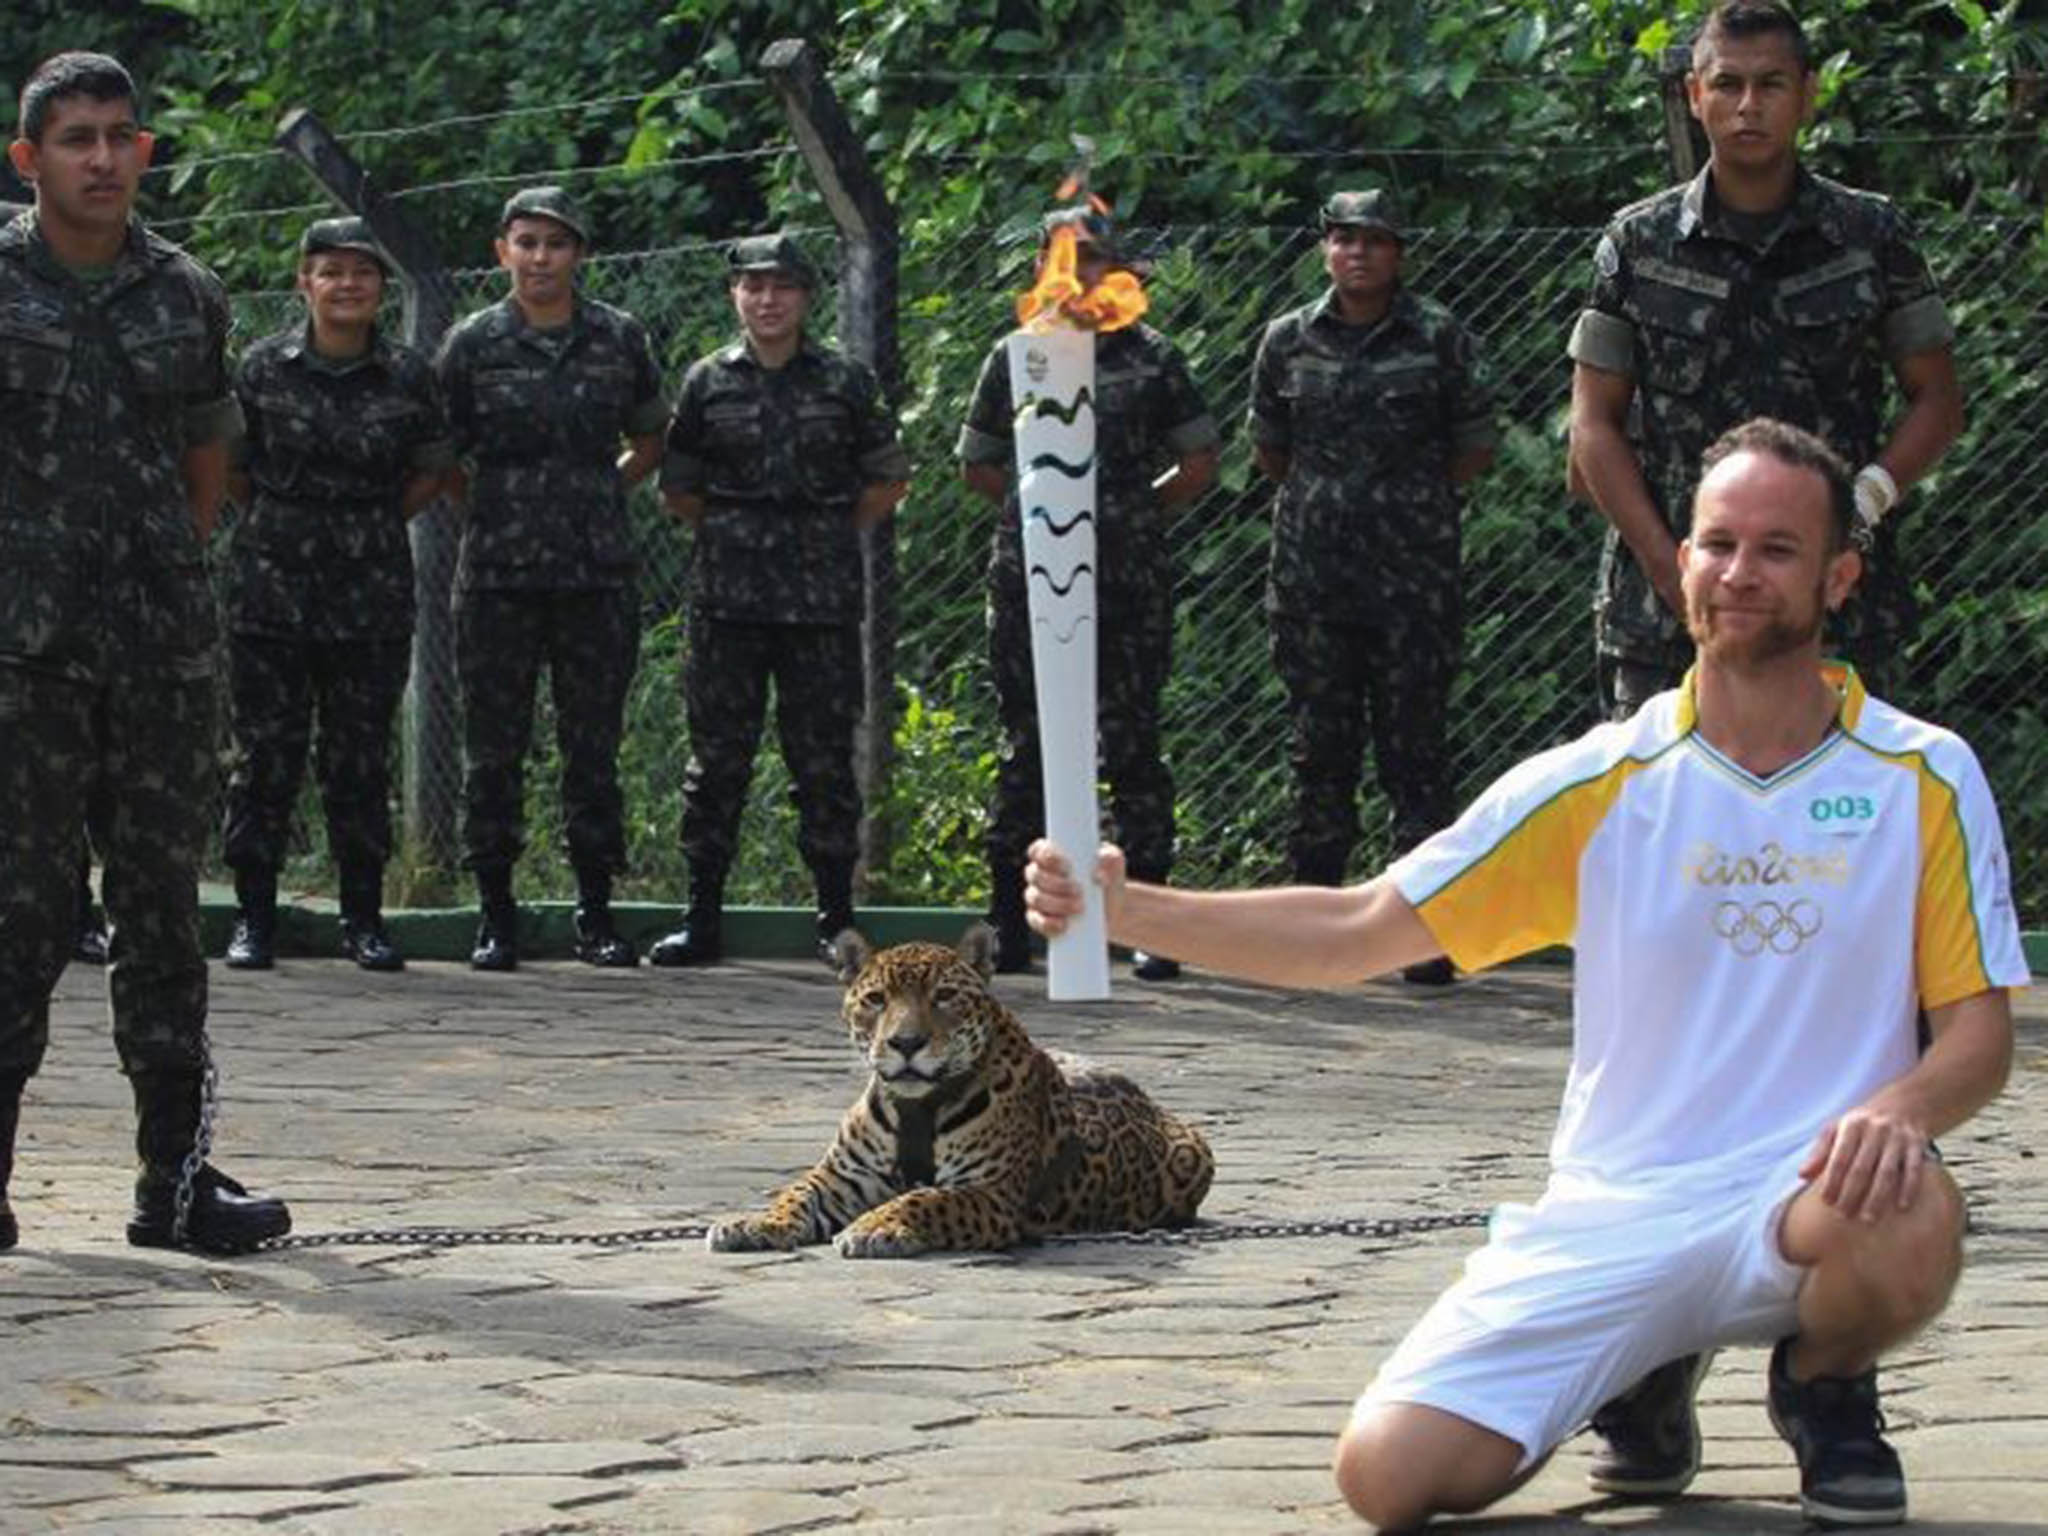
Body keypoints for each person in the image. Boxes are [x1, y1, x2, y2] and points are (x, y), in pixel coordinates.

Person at [1025, 419, 2028, 1529]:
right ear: (1678, 562)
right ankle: (1638, 1368)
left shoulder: (1919, 774)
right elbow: (1359, 928)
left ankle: (1825, 1386)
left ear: (1837, 576)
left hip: (1808, 1204)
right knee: (1388, 1480)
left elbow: (1977, 1036)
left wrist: (1900, 1109)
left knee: (1911, 1214)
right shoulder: (1597, 782)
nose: (1738, 572)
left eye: (1776, 550)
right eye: (1716, 543)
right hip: (1617, 1209)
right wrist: (1125, 907)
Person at [0, 52, 292, 1254]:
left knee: (165, 917)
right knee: (16, 917)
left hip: (160, 653)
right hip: (20, 657)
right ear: (28, 159)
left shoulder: (188, 292)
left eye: (122, 136)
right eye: (77, 139)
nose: (104, 158)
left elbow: (204, 463)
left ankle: (173, 1181)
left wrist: (154, 571)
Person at [1568, 0, 1964, 720]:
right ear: (1694, 95)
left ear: (1808, 95)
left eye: (1771, 84)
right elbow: (1592, 426)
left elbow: (1937, 398)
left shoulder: (1871, 236)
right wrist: (1673, 567)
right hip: (1665, 619)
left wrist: (1866, 499)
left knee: (1843, 817)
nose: (1747, 105)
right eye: (1726, 84)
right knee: (1660, 821)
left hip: (1835, 601)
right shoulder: (1638, 244)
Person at [959, 205, 1220, 980]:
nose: (1080, 269)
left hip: (1127, 582)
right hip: (1033, 583)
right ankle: (1010, 921)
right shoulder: (1020, 354)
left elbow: (1199, 465)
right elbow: (978, 467)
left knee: (1133, 743)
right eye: (1063, 254)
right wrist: (1046, 520)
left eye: (1094, 255)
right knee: (1027, 744)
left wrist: (1128, 511)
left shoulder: (1153, 357)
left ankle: (1147, 924)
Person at [1248, 189, 1496, 987]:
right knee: (1318, 753)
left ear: (1400, 252)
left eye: (1375, 240)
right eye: (1344, 239)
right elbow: (1272, 452)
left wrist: (1400, 511)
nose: (1357, 253)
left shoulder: (1439, 339)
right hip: (1314, 582)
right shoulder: (1287, 341)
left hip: (1412, 583)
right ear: (1325, 248)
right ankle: (1310, 935)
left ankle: (1422, 935)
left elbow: (1472, 448)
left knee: (1414, 755)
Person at [648, 234, 909, 968]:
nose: (767, 300)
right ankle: (701, 917)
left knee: (823, 765)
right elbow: (679, 490)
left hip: (821, 605)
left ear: (806, 296)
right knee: (716, 763)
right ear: (735, 296)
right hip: (727, 605)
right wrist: (743, 534)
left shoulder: (845, 382)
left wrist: (820, 535)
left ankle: (835, 919)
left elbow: (888, 480)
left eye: (783, 287)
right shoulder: (706, 382)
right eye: (753, 286)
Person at [435, 186, 667, 972]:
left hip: (595, 577)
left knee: (591, 749)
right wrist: (495, 509)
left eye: (556, 245)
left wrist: (603, 492)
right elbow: (443, 458)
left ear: (579, 256)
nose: (540, 259)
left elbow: (648, 436)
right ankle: (495, 914)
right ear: (502, 252)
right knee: (492, 752)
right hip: (497, 577)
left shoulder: (617, 338)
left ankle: (595, 913)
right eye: (526, 243)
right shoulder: (472, 345)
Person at [219, 217, 452, 973]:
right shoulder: (261, 369)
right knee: (264, 758)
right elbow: (231, 468)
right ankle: (254, 917)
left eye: (362, 272)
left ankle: (363, 919)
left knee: (358, 761)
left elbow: (428, 474)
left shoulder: (410, 376)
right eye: (331, 271)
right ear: (304, 282)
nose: (346, 284)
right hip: (271, 591)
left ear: (382, 288)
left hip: (370, 593)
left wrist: (363, 525)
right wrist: (289, 525)